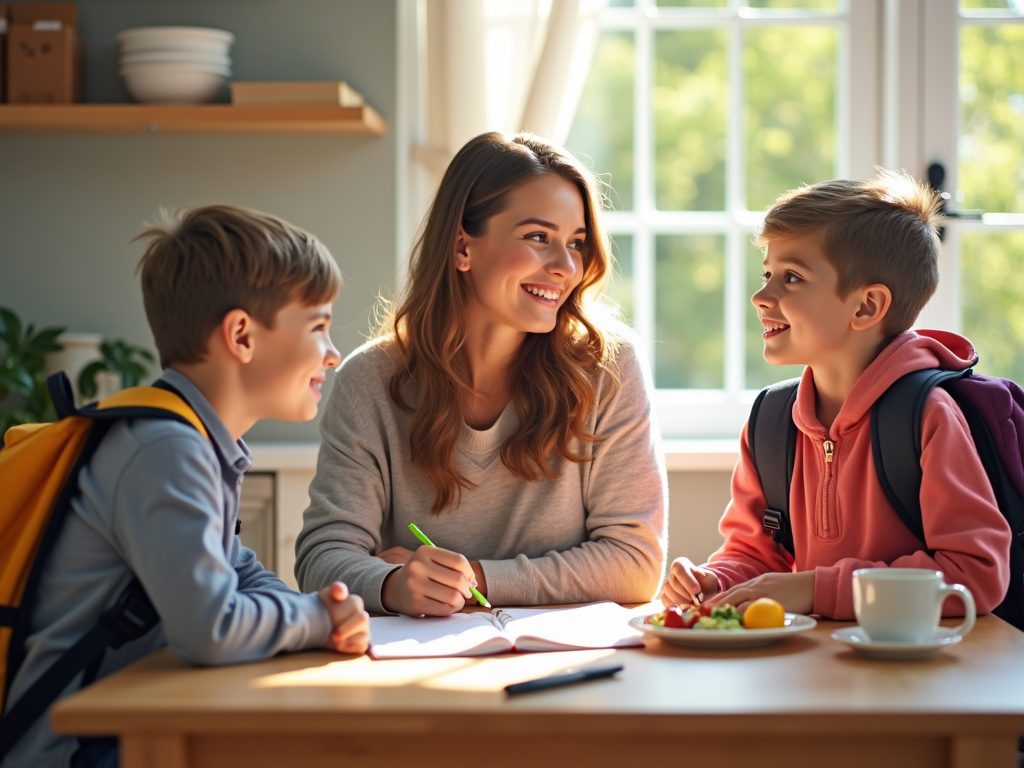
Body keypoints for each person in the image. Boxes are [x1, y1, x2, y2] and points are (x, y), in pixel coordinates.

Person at [2, 205, 370, 768]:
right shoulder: (165, 451)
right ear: (241, 335)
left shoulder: (190, 439)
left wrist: (319, 610)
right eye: (318, 326)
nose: (333, 352)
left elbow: (239, 569)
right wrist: (317, 619)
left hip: (120, 727)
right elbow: (212, 628)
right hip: (75, 751)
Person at [295, 131, 667, 617]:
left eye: (575, 243)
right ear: (462, 248)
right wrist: (392, 585)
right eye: (538, 237)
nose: (566, 266)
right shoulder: (369, 380)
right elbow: (323, 557)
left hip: (567, 669)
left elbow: (636, 564)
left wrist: (475, 577)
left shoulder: (608, 366)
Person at [659, 170, 1012, 619]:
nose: (761, 296)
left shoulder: (927, 416)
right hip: (817, 667)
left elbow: (975, 573)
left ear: (866, 306)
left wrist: (816, 589)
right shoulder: (771, 421)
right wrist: (717, 579)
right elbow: (756, 556)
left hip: (918, 676)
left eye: (791, 278)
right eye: (767, 273)